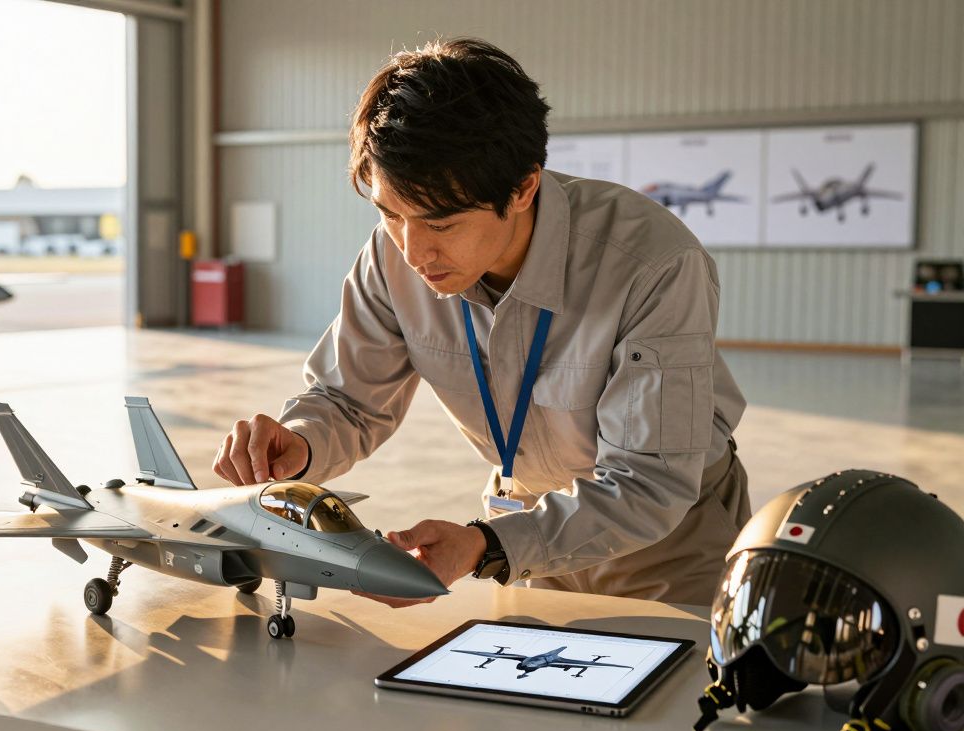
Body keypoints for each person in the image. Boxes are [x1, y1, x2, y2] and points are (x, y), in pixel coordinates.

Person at [211, 38, 750, 606]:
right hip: (523, 526)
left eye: (441, 224)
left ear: (523, 188)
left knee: (676, 690)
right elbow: (349, 401)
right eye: (390, 213)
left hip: (666, 543)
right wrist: (300, 442)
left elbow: (647, 483)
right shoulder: (392, 255)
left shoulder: (652, 264)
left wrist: (488, 544)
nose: (414, 251)